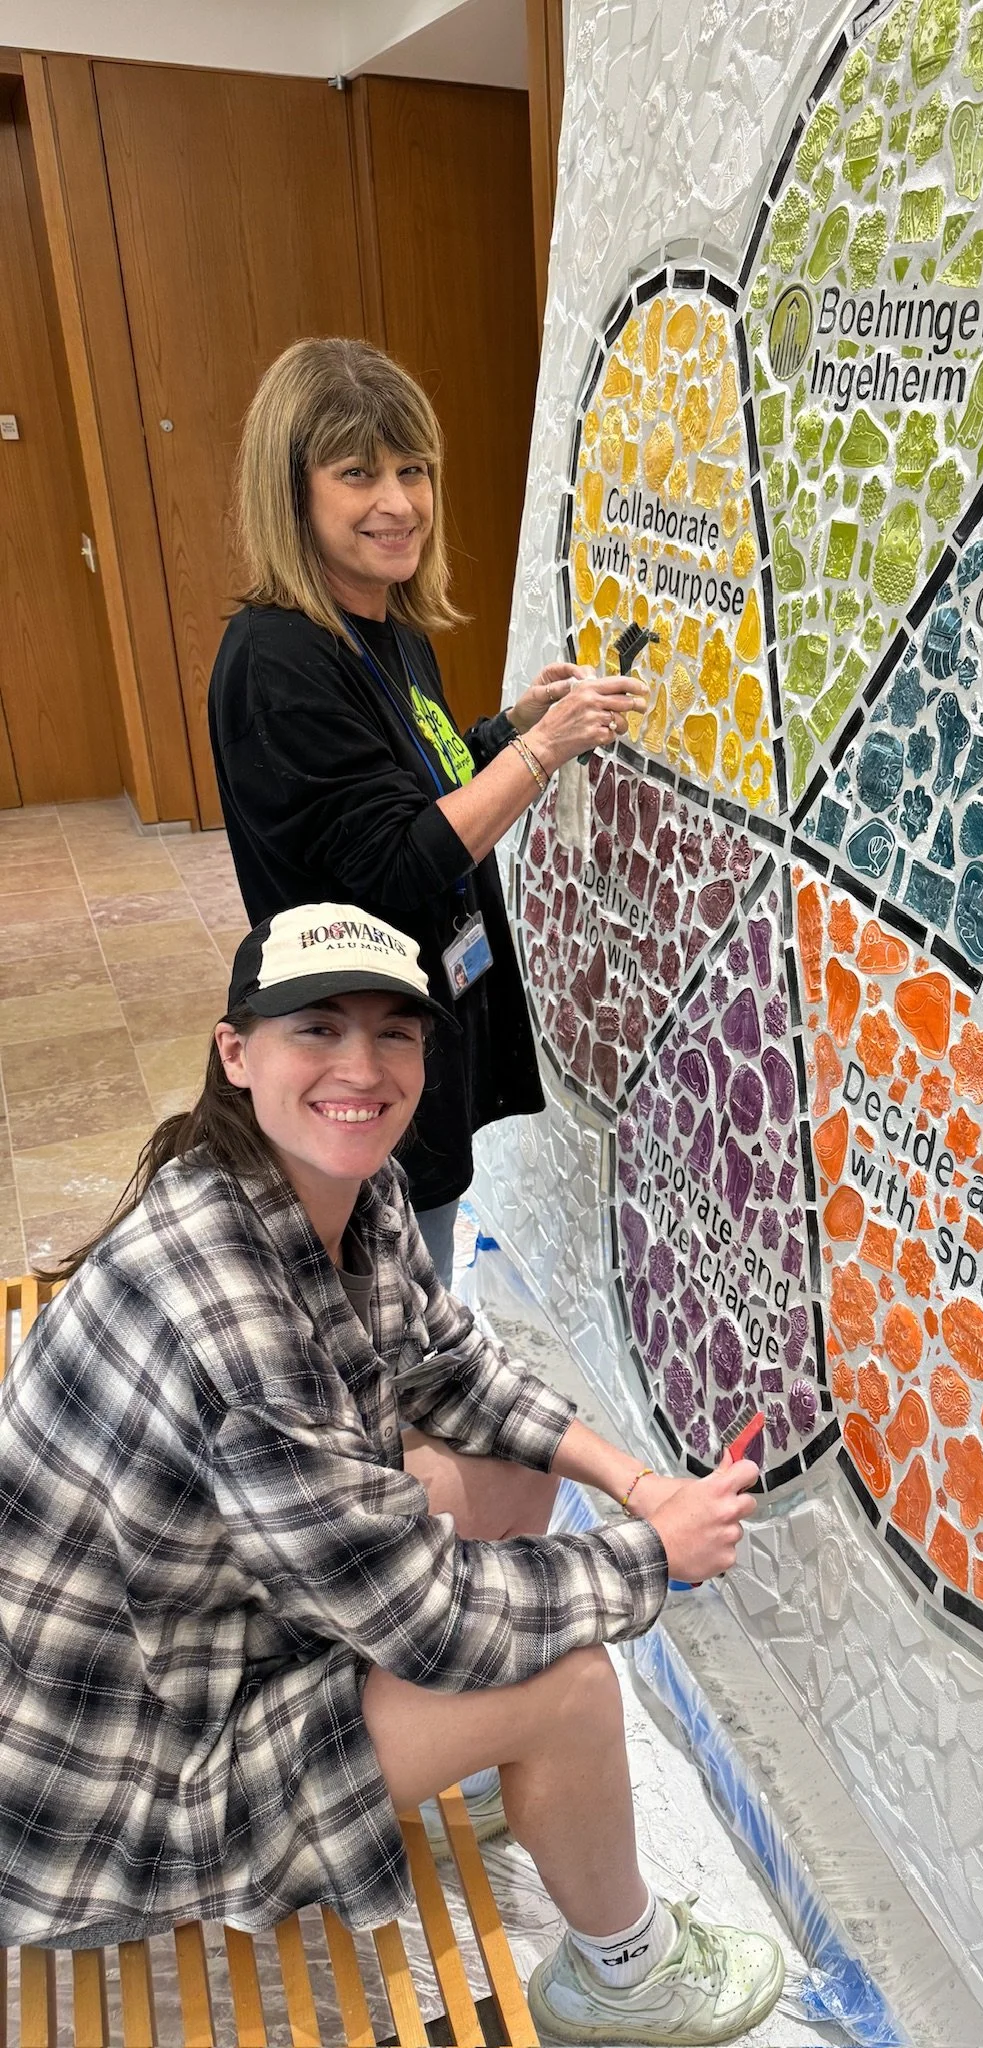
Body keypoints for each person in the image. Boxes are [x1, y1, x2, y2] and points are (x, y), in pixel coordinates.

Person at [0, 906, 783, 2046]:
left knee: (510, 1484)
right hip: (110, 1788)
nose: (359, 1070)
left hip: (197, 1630)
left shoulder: (328, 1184)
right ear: (237, 1051)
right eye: (316, 1029)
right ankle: (627, 1973)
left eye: (393, 1033)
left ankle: (469, 1764)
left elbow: (451, 1361)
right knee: (567, 1684)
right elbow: (431, 1614)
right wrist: (654, 1552)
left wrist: (633, 1478)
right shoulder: (225, 1312)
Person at [208, 337, 645, 1291]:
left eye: (413, 470)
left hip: (415, 1026)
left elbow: (413, 788)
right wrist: (545, 751)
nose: (398, 503)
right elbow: (398, 863)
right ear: (294, 490)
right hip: (350, 1051)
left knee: (423, 1260)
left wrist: (503, 730)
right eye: (357, 472)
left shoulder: (386, 629)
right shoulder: (280, 659)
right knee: (391, 1305)